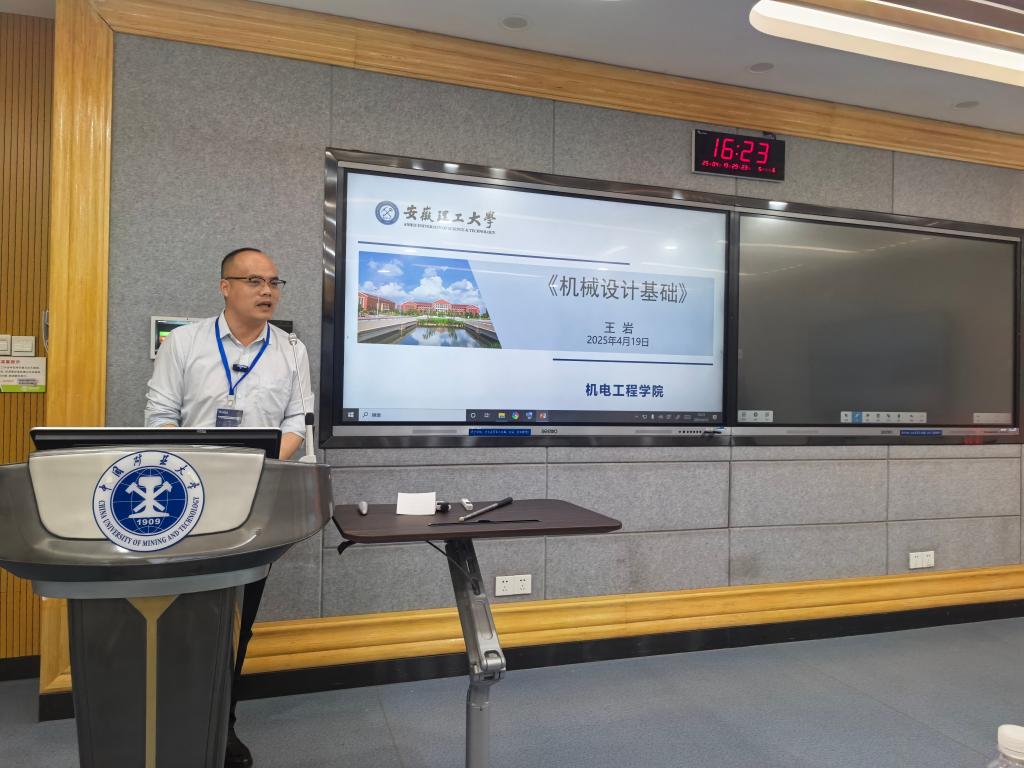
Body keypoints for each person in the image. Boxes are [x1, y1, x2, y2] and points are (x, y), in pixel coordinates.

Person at [145, 247, 313, 768]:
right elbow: (159, 416)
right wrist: (195, 469)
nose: (267, 291)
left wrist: (261, 464)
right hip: (187, 501)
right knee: (185, 613)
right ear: (225, 286)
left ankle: (223, 724)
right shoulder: (185, 343)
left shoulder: (291, 350)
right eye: (254, 281)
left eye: (274, 282)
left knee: (240, 617)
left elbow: (298, 422)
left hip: (256, 502)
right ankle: (175, 719)